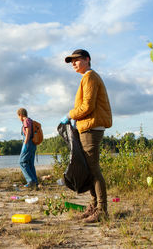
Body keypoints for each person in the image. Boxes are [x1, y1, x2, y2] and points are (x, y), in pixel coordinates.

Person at [63, 49, 112, 223]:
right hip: (87, 127)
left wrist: (70, 115)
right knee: (89, 168)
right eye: (72, 62)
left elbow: (87, 106)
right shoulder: (86, 78)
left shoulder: (90, 77)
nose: (73, 64)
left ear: (87, 59)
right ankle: (93, 207)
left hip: (92, 128)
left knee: (93, 169)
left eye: (76, 60)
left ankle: (102, 210)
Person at [17, 108, 38, 189]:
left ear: (21, 115)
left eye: (18, 116)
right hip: (33, 144)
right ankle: (35, 182)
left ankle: (30, 181)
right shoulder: (31, 121)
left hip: (28, 143)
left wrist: (25, 145)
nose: (18, 118)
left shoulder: (26, 121)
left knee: (22, 162)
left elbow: (28, 133)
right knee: (30, 164)